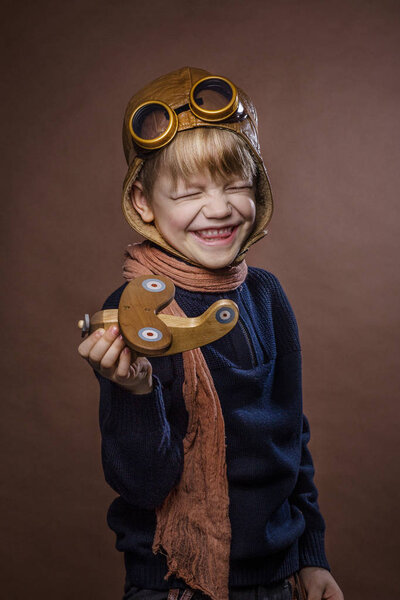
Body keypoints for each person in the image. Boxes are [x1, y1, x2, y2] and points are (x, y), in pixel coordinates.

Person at [78, 67, 344, 600]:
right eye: (188, 192)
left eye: (236, 186)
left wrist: (311, 556)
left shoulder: (266, 296)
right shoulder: (136, 309)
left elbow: (292, 437)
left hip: (279, 578)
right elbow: (144, 484)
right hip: (178, 583)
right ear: (143, 204)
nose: (219, 208)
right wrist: (136, 392)